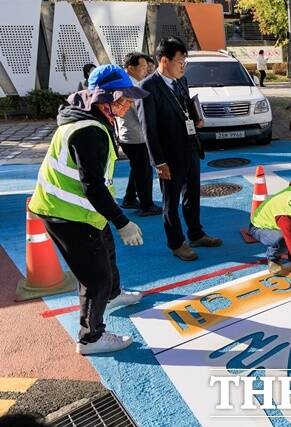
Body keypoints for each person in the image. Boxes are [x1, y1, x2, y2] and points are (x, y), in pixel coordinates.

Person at [29, 64, 148, 355]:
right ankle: (90, 338)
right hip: (69, 215)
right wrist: (122, 222)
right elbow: (92, 186)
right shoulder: (89, 131)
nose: (129, 104)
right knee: (95, 278)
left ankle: (114, 295)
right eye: (124, 98)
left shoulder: (86, 119)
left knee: (106, 252)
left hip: (82, 212)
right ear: (106, 99)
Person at [138, 37, 223, 261]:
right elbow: (149, 130)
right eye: (180, 61)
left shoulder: (181, 82)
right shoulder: (148, 88)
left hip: (190, 149)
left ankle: (196, 233)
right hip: (168, 156)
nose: (183, 66)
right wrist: (159, 162)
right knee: (171, 202)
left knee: (192, 195)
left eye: (185, 61)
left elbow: (185, 106)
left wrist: (197, 118)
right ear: (164, 60)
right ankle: (176, 243)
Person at [117, 52, 162, 216]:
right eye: (142, 67)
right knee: (144, 171)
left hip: (130, 134)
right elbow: (140, 114)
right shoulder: (132, 87)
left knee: (137, 168)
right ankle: (146, 205)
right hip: (135, 135)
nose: (146, 69)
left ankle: (129, 198)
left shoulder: (129, 83)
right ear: (130, 68)